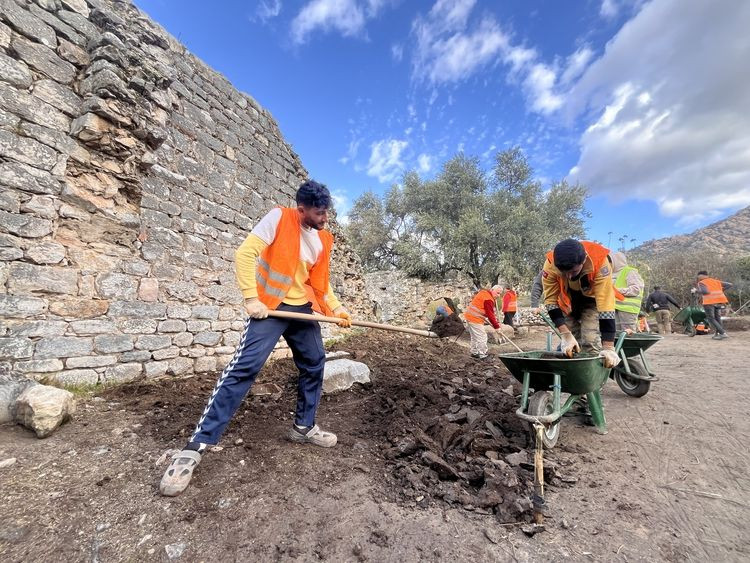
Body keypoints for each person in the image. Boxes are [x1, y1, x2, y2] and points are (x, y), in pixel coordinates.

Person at [159, 180, 352, 496]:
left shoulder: (323, 239)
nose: (324, 218)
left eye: (326, 212)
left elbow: (321, 283)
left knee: (315, 363)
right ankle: (196, 446)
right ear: (301, 209)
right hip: (272, 307)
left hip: (302, 310)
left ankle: (303, 427)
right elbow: (245, 254)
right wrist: (252, 298)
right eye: (319, 213)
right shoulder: (279, 218)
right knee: (244, 369)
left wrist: (338, 308)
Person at [541, 239, 620, 368]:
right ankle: (575, 373)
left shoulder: (600, 262)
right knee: (572, 342)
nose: (569, 276)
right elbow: (550, 301)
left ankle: (591, 377)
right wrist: (565, 334)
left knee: (590, 340)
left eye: (573, 271)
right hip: (567, 301)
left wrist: (609, 347)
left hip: (592, 300)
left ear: (583, 261)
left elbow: (605, 303)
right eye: (564, 273)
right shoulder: (549, 265)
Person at [464, 285, 504, 359]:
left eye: (500, 294)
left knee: (475, 336)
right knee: (482, 336)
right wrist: (497, 327)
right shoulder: (488, 299)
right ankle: (482, 354)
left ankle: (474, 352)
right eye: (497, 293)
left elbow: (486, 310)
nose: (498, 296)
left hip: (469, 316)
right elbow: (490, 315)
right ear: (492, 290)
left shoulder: (483, 292)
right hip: (474, 318)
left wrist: (496, 323)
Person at [610, 252, 644, 332]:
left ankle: (630, 345)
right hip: (614, 308)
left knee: (628, 334)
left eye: (610, 261)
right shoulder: (611, 274)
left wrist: (617, 290)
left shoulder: (630, 271)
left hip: (628, 309)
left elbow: (636, 289)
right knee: (616, 334)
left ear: (616, 261)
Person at [694, 271, 732, 340]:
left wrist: (696, 291)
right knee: (718, 318)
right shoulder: (715, 281)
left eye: (698, 276)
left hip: (709, 302)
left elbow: (705, 292)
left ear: (702, 276)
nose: (698, 277)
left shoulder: (702, 282)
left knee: (711, 318)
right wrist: (721, 290)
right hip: (719, 301)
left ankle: (722, 333)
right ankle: (718, 333)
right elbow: (729, 284)